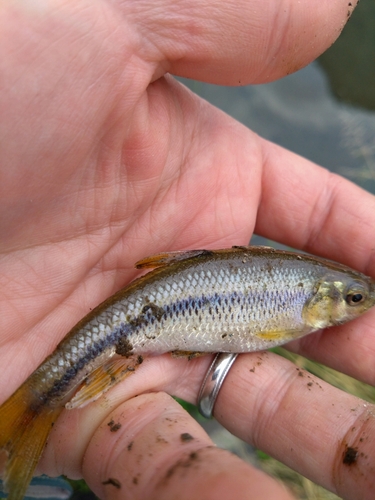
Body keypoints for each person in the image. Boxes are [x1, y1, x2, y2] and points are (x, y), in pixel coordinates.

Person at [0, 0, 372, 499]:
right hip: (145, 318)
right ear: (324, 293)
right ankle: (34, 405)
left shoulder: (302, 297)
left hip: (149, 318)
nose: (357, 304)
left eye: (356, 298)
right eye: (352, 298)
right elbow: (259, 331)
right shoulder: (298, 309)